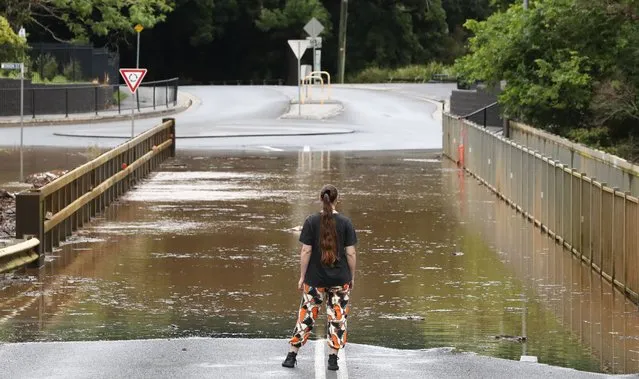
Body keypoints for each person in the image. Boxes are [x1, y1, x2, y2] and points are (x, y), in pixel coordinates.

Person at [282, 184, 358, 371]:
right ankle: (333, 359)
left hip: (314, 280)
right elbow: (351, 254)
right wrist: (351, 276)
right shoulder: (346, 223)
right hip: (340, 279)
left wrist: (302, 276)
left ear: (320, 198)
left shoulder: (311, 221)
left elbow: (306, 250)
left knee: (306, 316)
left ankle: (291, 356)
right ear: (336, 199)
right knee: (337, 318)